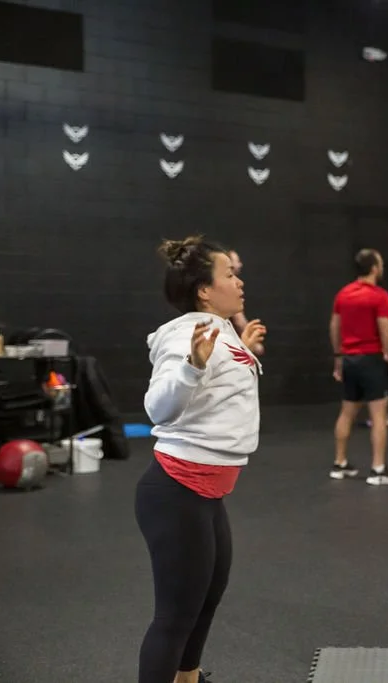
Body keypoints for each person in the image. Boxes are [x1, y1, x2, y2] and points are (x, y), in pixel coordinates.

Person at [136, 236, 266, 683]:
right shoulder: (185, 335)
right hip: (177, 492)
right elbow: (159, 407)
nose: (239, 280)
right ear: (204, 290)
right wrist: (191, 363)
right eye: (229, 274)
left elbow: (217, 392)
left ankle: (188, 679)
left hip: (207, 493)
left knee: (206, 598)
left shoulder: (222, 330)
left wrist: (243, 348)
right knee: (173, 617)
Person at [329, 248, 388, 485]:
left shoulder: (343, 294)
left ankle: (340, 464)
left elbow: (334, 327)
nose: (381, 267)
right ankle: (378, 469)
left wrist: (338, 358)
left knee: (347, 412)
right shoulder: (379, 296)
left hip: (350, 360)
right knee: (379, 414)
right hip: (371, 359)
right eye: (380, 264)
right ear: (374, 268)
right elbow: (386, 331)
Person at [228, 250, 265, 357]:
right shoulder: (229, 287)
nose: (240, 264)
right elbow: (238, 320)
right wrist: (254, 342)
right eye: (237, 261)